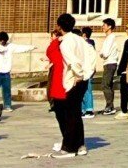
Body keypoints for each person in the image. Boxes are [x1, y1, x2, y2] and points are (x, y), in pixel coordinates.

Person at [47, 13, 95, 157]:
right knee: (75, 114)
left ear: (59, 26)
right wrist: (88, 73)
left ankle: (69, 146)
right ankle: (80, 144)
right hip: (83, 79)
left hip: (73, 80)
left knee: (67, 115)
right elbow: (92, 53)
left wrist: (79, 75)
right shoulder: (79, 39)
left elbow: (72, 61)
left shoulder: (67, 43)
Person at [0, 31, 32, 121]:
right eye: (1, 41)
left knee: (7, 90)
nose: (3, 42)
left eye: (4, 41)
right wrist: (2, 49)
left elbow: (20, 48)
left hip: (6, 72)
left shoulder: (10, 46)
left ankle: (7, 105)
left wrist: (31, 47)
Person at [95, 20, 124, 116]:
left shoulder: (111, 38)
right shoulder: (108, 38)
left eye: (104, 25)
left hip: (110, 63)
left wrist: (102, 54)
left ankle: (109, 106)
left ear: (109, 26)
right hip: (108, 63)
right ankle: (109, 106)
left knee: (105, 84)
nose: (102, 27)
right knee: (108, 84)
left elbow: (105, 53)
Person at [78, 27, 97, 118]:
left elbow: (92, 60)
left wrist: (91, 70)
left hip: (87, 71)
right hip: (81, 72)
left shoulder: (89, 46)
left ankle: (89, 109)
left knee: (87, 90)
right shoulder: (81, 46)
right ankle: (82, 109)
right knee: (81, 91)